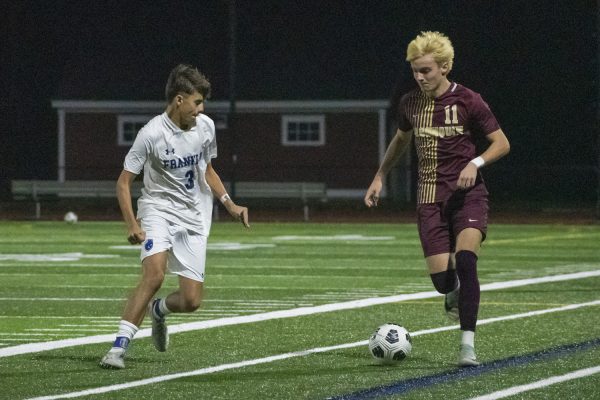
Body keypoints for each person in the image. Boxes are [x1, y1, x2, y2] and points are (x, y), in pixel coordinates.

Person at [364, 31, 510, 367]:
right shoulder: (409, 103)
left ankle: (467, 346)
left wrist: (475, 163)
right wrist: (380, 175)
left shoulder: (469, 100)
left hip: (468, 196)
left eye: (426, 70)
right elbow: (400, 141)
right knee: (443, 282)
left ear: (444, 67)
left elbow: (501, 143)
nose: (419, 77)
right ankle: (452, 290)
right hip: (429, 199)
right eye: (415, 70)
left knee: (467, 260)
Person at [100, 64, 250, 369]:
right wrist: (132, 223)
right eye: (197, 102)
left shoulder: (205, 127)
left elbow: (208, 171)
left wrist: (229, 204)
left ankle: (159, 311)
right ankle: (117, 348)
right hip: (158, 210)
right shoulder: (151, 134)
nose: (201, 108)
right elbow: (123, 181)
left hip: (194, 216)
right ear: (179, 99)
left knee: (191, 301)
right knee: (154, 275)